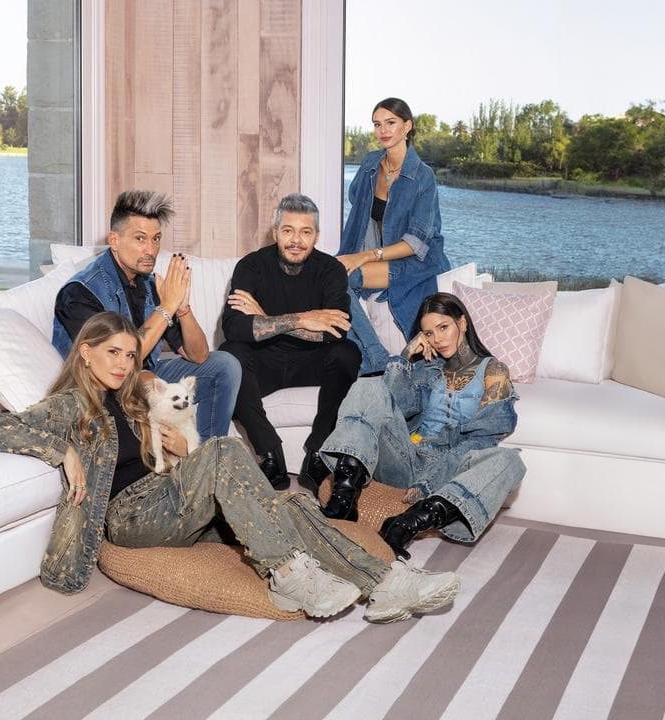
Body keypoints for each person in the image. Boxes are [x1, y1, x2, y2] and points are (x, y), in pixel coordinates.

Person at [0, 311, 461, 623]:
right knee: (225, 449)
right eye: (112, 353)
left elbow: (167, 457)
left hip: (171, 499)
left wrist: (179, 453)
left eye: (129, 354)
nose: (123, 363)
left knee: (287, 505)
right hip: (130, 516)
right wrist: (63, 452)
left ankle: (386, 582)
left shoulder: (130, 400)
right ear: (85, 352)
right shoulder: (71, 404)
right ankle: (288, 574)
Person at [316, 293, 527, 559]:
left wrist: (429, 483)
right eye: (429, 333)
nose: (437, 339)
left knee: (510, 460)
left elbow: (483, 439)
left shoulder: (493, 370)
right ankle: (345, 495)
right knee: (368, 386)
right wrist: (406, 356)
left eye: (443, 327)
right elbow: (392, 405)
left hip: (450, 468)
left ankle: (404, 525)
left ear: (462, 323)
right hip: (407, 458)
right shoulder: (427, 368)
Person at [53, 189, 242, 440]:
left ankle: (208, 454)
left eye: (156, 239)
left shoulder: (149, 284)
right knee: (147, 381)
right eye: (140, 239)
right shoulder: (80, 292)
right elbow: (117, 362)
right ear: (114, 240)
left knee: (225, 365)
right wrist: (166, 307)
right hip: (101, 388)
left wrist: (182, 308)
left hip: (143, 377)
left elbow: (198, 355)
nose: (151, 250)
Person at [219, 193, 360, 491]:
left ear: (316, 236)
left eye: (305, 232)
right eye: (288, 230)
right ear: (275, 232)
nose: (296, 240)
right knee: (230, 354)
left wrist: (265, 318)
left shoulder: (331, 270)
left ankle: (317, 455)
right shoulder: (251, 266)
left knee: (347, 353)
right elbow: (234, 328)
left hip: (311, 363)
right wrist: (302, 319)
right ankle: (270, 454)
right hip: (264, 363)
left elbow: (336, 332)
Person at [338, 97, 451, 374]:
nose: (383, 130)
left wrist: (365, 256)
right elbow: (357, 201)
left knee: (342, 279)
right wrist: (357, 251)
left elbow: (415, 242)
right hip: (383, 255)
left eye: (390, 122)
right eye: (377, 124)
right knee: (326, 278)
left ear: (407, 126)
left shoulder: (423, 176)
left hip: (416, 260)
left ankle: (375, 356)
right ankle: (369, 359)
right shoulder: (370, 164)